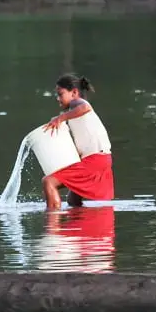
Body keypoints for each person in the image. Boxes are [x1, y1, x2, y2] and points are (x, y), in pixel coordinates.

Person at [42, 73, 114, 210]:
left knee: (48, 181)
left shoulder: (77, 103)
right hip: (101, 158)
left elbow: (85, 107)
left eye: (60, 94)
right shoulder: (74, 113)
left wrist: (60, 118)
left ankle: (52, 224)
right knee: (73, 199)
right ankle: (82, 227)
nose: (58, 99)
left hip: (95, 159)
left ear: (74, 92)